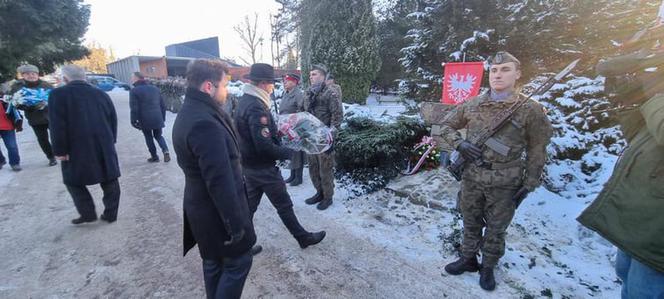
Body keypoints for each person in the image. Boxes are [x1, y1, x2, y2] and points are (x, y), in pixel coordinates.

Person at [439, 52, 553, 291]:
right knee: (469, 220)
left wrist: (530, 182)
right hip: (472, 177)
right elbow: (445, 126)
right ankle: (468, 259)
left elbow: (537, 150)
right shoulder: (473, 104)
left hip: (505, 182)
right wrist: (460, 144)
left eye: (506, 69)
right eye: (495, 70)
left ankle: (488, 266)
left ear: (518, 73)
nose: (498, 75)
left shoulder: (530, 110)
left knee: (496, 227)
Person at [577, 23, 664, 298]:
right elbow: (641, 137)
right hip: (641, 217)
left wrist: (655, 92)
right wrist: (630, 99)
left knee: (644, 291)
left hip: (656, 236)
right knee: (626, 279)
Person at [172, 59, 256, 299]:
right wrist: (236, 226)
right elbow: (219, 182)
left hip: (202, 210)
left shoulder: (192, 111)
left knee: (214, 264)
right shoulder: (203, 123)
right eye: (224, 85)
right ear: (209, 86)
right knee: (238, 262)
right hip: (216, 214)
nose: (226, 90)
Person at [234, 63, 326, 254]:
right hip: (263, 169)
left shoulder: (247, 100)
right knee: (284, 205)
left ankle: (239, 245)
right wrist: (289, 152)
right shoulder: (256, 107)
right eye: (270, 83)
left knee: (248, 208)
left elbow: (258, 137)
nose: (273, 87)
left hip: (250, 166)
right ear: (262, 84)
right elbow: (263, 145)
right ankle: (303, 238)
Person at [48, 65, 121, 225]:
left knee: (72, 180)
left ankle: (87, 213)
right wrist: (111, 140)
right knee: (110, 178)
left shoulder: (58, 95)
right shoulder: (100, 93)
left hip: (75, 146)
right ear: (84, 77)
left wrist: (60, 150)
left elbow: (57, 125)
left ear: (65, 78)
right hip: (103, 143)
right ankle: (111, 213)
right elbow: (112, 119)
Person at [303, 64, 343, 210]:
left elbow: (337, 116)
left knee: (325, 169)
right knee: (313, 168)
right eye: (310, 74)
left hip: (324, 138)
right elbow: (303, 112)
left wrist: (331, 136)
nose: (311, 77)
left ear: (322, 76)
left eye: (314, 74)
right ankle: (318, 193)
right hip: (310, 137)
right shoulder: (308, 92)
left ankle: (328, 197)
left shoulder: (330, 93)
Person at [9, 64, 57, 166]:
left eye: (33, 73)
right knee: (42, 139)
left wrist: (47, 103)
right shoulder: (19, 87)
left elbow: (56, 99)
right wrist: (26, 107)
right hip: (34, 118)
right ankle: (51, 156)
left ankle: (61, 153)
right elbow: (14, 102)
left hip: (51, 116)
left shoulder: (46, 85)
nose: (31, 76)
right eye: (27, 74)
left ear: (37, 74)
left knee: (56, 136)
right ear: (23, 75)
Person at [129, 72, 170, 163]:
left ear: (137, 78)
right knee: (158, 136)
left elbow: (134, 107)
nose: (131, 79)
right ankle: (166, 151)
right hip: (157, 117)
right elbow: (162, 105)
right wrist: (162, 118)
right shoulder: (155, 89)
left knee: (148, 137)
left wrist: (133, 120)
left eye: (132, 78)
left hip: (144, 119)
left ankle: (154, 157)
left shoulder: (134, 91)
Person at [279, 73, 305, 186]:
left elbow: (302, 110)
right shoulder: (286, 93)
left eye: (287, 81)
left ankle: (298, 177)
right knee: (290, 151)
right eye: (284, 81)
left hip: (295, 127)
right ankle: (292, 174)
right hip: (286, 127)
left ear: (294, 82)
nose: (285, 83)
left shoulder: (298, 94)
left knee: (297, 152)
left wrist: (293, 122)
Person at [0, 96, 23, 171]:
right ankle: (1, 160)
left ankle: (15, 163)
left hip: (7, 126)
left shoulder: (4, 99)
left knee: (12, 146)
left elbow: (15, 111)